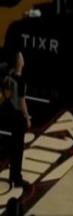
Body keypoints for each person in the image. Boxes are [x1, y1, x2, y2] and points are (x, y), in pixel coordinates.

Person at [0, 52, 30, 188]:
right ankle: (16, 177)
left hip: (10, 113)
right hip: (18, 116)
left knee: (13, 147)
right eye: (21, 57)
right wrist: (27, 117)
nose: (23, 59)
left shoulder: (9, 76)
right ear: (19, 62)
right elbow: (22, 102)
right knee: (18, 149)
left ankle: (13, 175)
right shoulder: (20, 80)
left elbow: (6, 92)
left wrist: (8, 99)